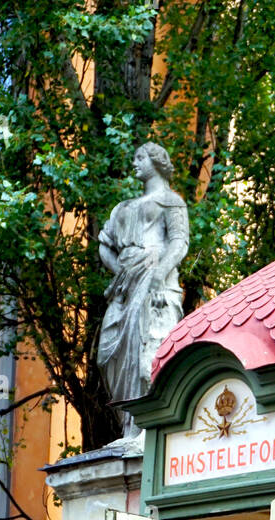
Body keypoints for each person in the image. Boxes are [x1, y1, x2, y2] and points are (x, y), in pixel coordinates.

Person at [98, 142, 189, 433]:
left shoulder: (172, 202)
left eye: (140, 157)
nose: (134, 162)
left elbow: (179, 243)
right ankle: (127, 421)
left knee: (148, 353)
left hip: (156, 289)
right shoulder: (123, 208)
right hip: (125, 288)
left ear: (157, 161)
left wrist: (158, 276)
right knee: (106, 355)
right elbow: (105, 246)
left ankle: (142, 427)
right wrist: (125, 274)